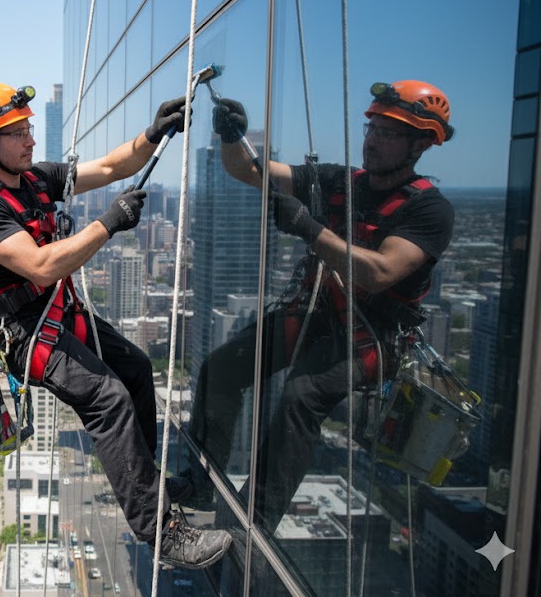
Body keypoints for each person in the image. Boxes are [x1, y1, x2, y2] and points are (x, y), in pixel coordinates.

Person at [0, 81, 232, 569]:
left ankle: (150, 483)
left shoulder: (34, 179)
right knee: (107, 399)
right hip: (23, 334)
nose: (31, 140)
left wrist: (153, 134)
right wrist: (108, 224)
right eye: (17, 133)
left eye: (28, 129)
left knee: (137, 369)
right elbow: (39, 266)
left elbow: (108, 167)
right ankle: (161, 533)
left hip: (55, 312)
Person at [186, 80, 456, 532]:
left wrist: (310, 229)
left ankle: (251, 526)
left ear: (421, 143)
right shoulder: (338, 180)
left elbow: (382, 272)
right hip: (316, 312)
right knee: (221, 368)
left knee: (301, 397)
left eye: (389, 133)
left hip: (370, 336)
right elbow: (248, 172)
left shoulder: (429, 210)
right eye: (373, 128)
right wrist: (231, 137)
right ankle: (200, 482)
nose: (372, 140)